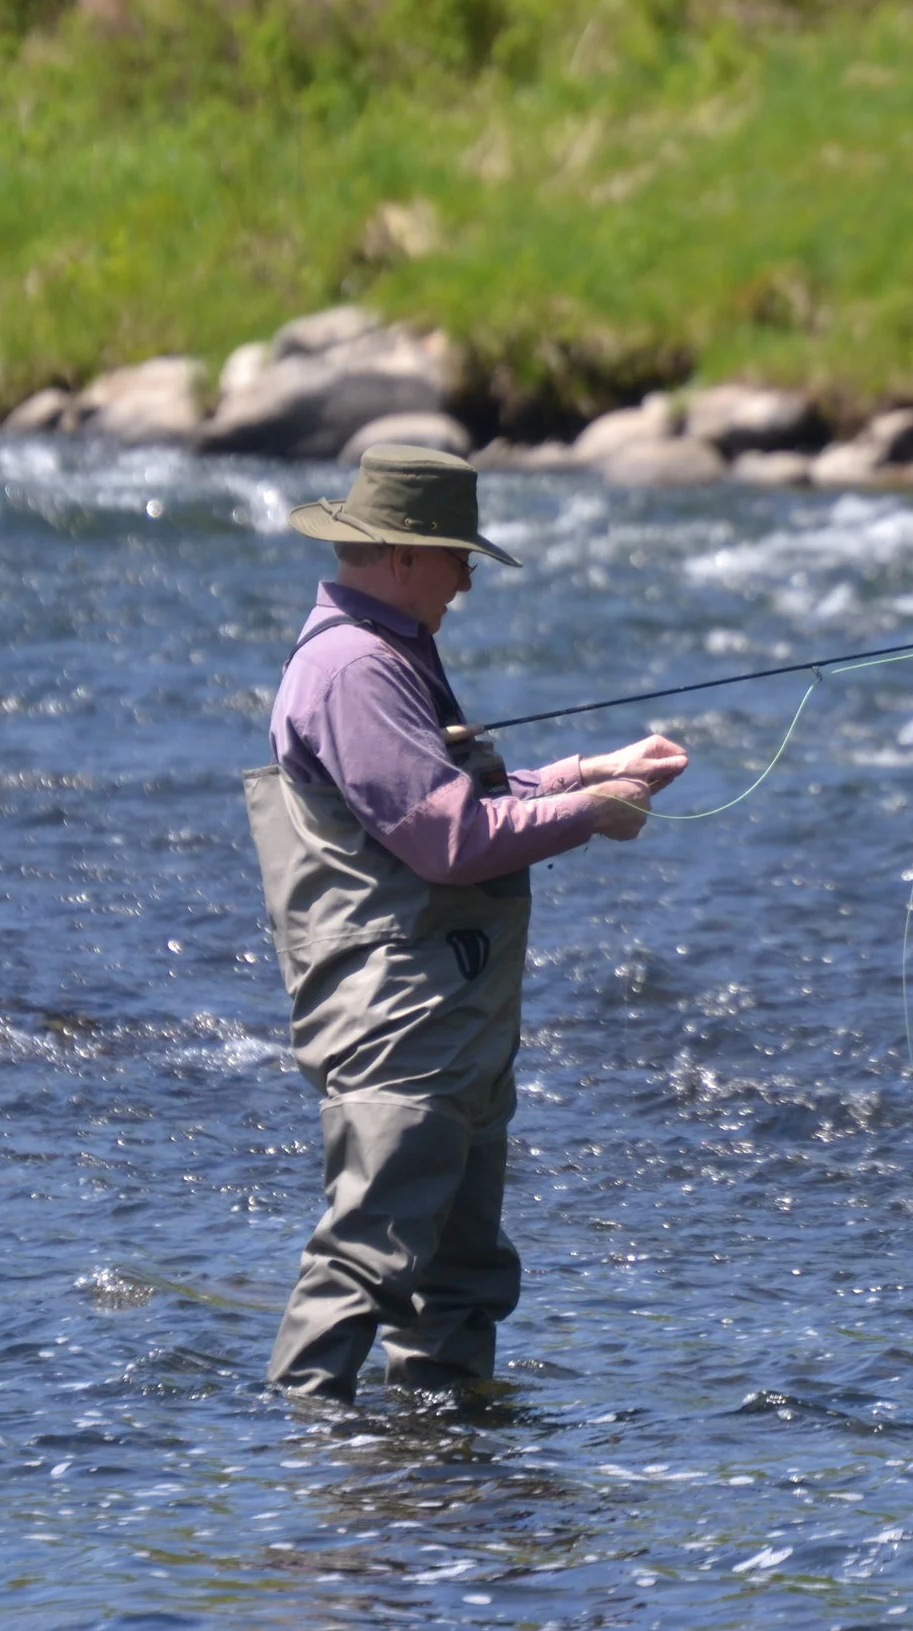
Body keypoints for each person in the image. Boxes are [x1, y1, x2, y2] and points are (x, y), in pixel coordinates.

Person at [242, 443, 689, 1401]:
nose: (469, 581)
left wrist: (581, 774)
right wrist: (595, 811)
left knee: (457, 1281)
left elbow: (438, 800)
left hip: (447, 1013)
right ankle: (307, 1476)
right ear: (404, 556)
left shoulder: (385, 653)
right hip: (399, 1016)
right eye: (460, 558)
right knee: (367, 1259)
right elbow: (448, 841)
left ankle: (442, 1484)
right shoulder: (357, 669)